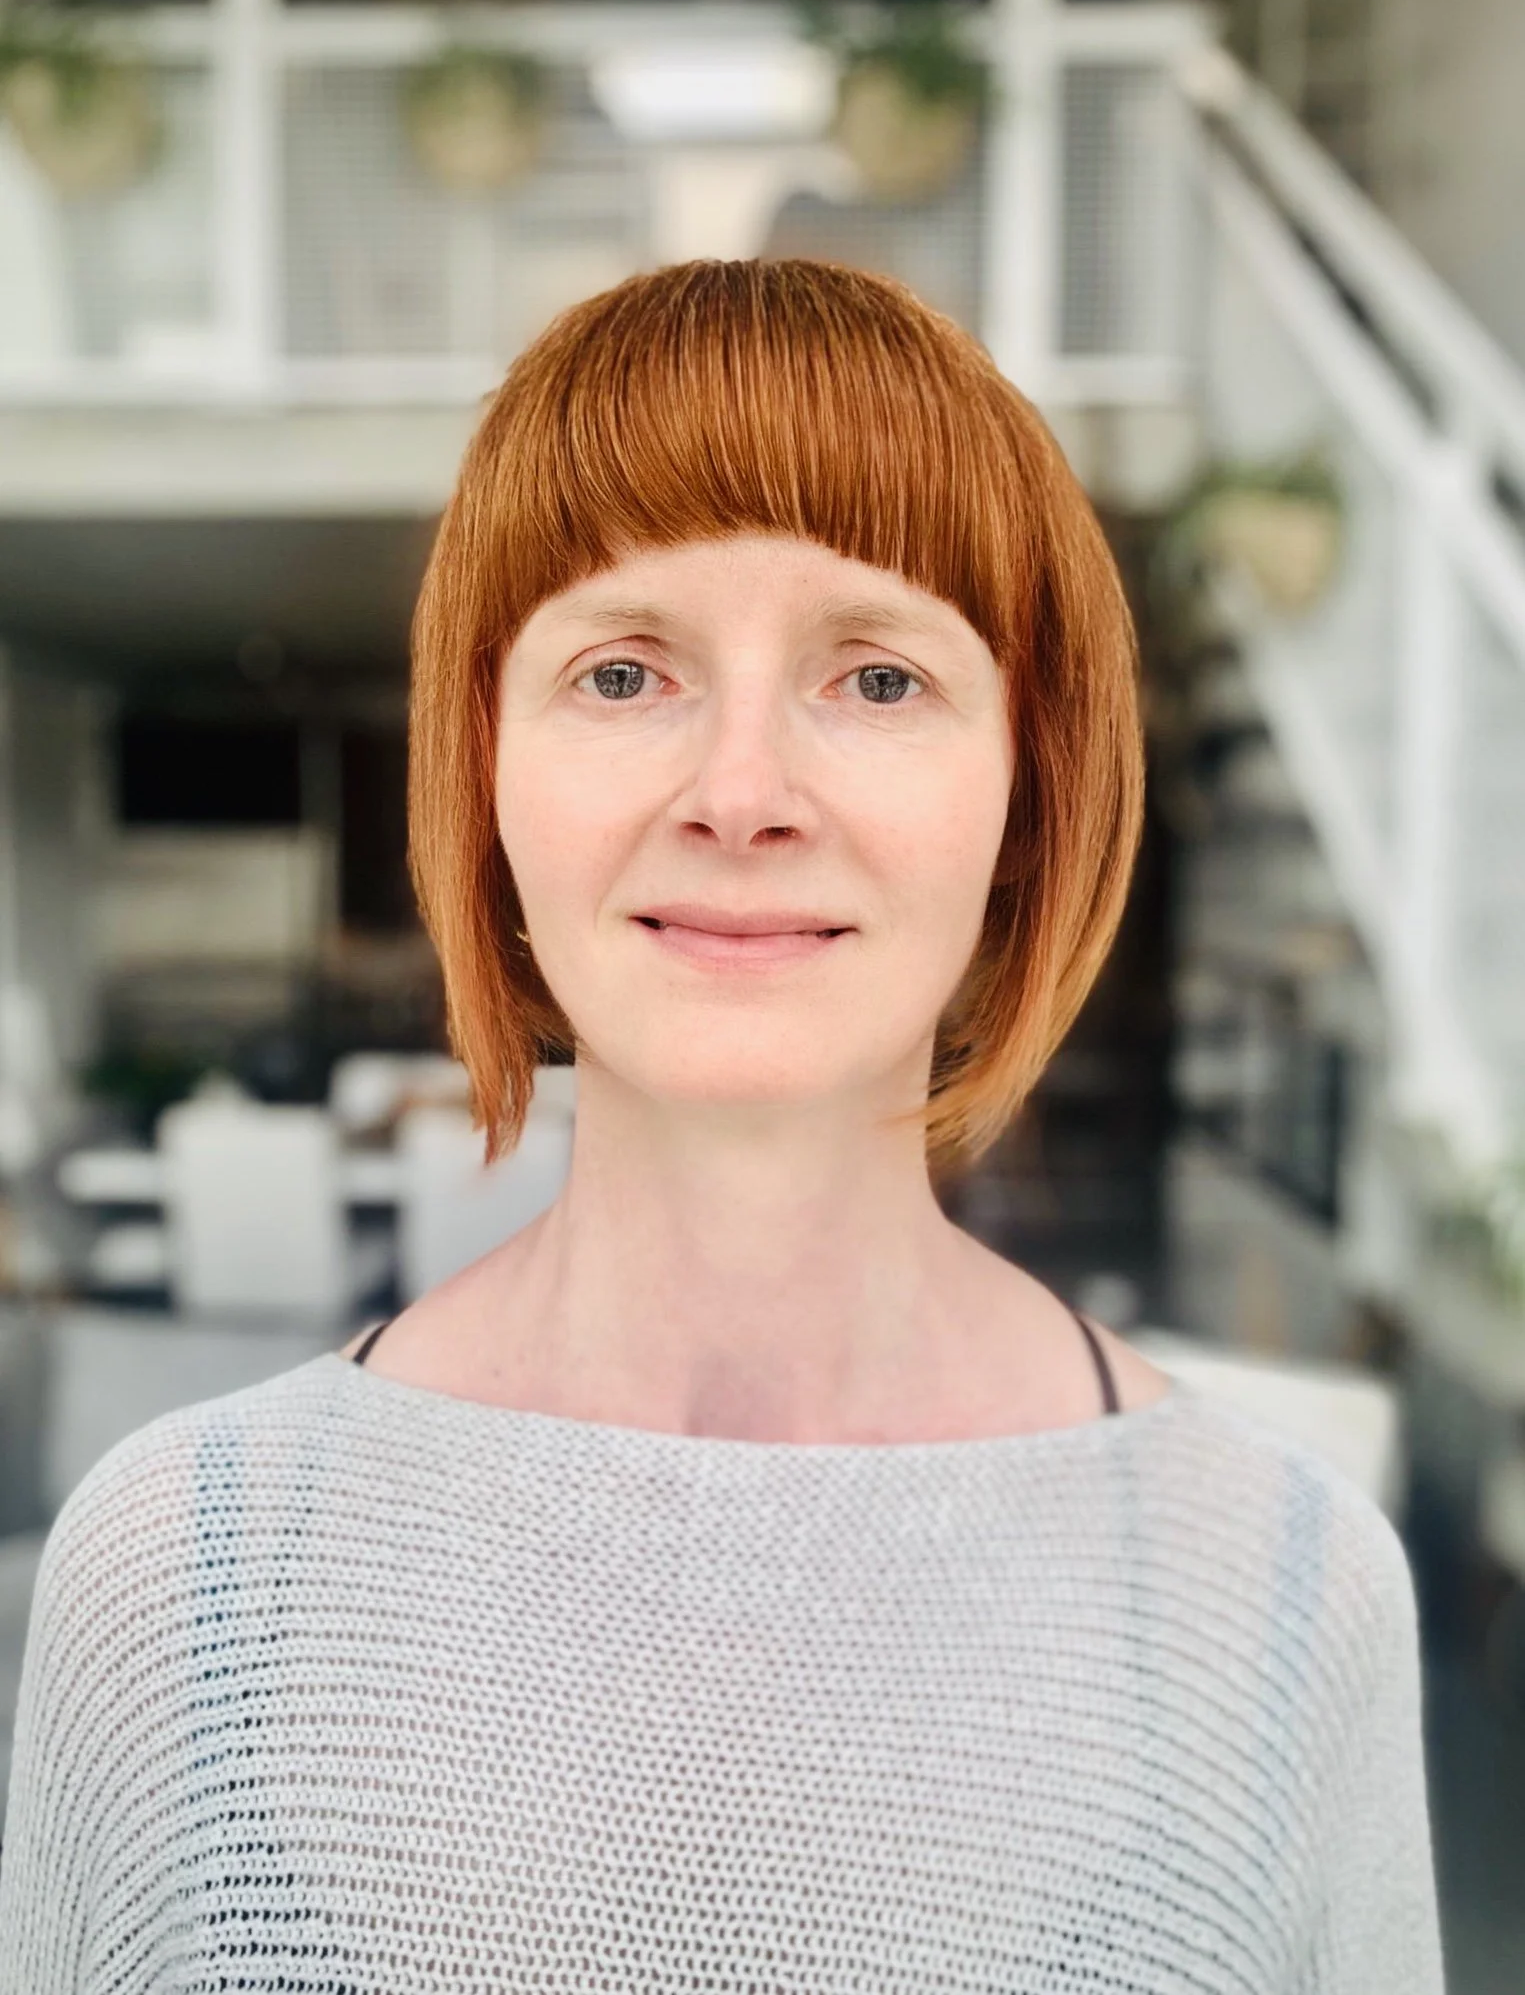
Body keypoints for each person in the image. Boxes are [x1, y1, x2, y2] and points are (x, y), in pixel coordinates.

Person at [0, 259, 1443, 1992]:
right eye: (623, 674)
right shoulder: (177, 1572)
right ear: (486, 772)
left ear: (1024, 790)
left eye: (879, 678)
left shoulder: (1287, 1600)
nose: (742, 795)